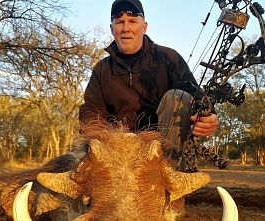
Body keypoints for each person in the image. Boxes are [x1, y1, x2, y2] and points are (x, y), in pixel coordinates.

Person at [79, 0, 218, 148]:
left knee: (178, 97)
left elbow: (195, 96)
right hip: (117, 149)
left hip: (160, 149)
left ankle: (172, 163)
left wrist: (209, 116)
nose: (126, 28)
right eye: (119, 22)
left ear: (144, 27)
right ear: (112, 29)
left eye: (132, 21)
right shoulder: (102, 69)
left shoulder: (169, 58)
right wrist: (105, 142)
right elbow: (91, 110)